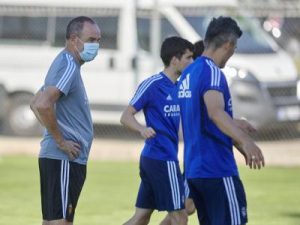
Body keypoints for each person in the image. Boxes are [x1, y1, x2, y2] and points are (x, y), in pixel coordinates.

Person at [178, 16, 265, 225]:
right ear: (228, 45)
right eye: (234, 48)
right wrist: (246, 141)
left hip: (195, 171)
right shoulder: (213, 72)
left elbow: (203, 119)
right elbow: (215, 113)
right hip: (217, 170)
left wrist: (234, 125)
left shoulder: (188, 73)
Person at [30, 16, 101, 225]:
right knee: (60, 222)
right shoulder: (68, 63)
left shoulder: (66, 64)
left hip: (65, 159)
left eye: (98, 40)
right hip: (63, 160)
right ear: (73, 39)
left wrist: (55, 135)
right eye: (91, 39)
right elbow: (42, 105)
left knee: (57, 221)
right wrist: (60, 141)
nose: (95, 45)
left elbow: (35, 102)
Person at [120, 36, 194, 225]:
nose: (192, 62)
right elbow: (126, 116)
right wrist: (141, 129)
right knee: (180, 216)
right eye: (188, 58)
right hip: (161, 158)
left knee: (141, 218)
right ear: (174, 60)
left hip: (159, 159)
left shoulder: (181, 86)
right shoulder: (152, 84)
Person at [159, 39, 206, 225]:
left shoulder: (197, 82)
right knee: (183, 210)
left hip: (196, 159)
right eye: (189, 58)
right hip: (191, 159)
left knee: (186, 208)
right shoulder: (189, 85)